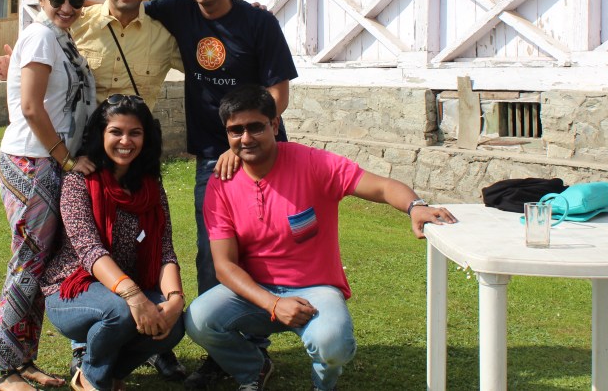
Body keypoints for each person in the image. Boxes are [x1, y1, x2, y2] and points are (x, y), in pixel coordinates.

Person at [0, 0, 188, 381]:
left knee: (131, 239)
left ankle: (34, 359)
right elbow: (31, 98)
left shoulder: (152, 34)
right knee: (46, 258)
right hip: (61, 159)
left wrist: (244, 18)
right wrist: (65, 159)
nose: (67, 6)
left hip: (129, 156)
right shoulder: (68, 27)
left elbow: (202, 58)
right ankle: (14, 366)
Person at [185, 85, 459, 391]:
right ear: (227, 133)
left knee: (333, 344)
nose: (245, 138)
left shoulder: (312, 164)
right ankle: (254, 369)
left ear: (274, 125)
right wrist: (274, 303)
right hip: (257, 291)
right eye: (236, 130)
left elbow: (380, 187)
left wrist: (415, 206)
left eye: (255, 127)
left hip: (315, 289)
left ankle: (323, 385)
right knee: (199, 318)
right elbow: (224, 266)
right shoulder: (221, 184)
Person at [144, 0, 297, 387]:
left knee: (262, 247)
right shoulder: (177, 8)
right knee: (213, 253)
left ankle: (253, 345)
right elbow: (121, 5)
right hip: (212, 157)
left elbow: (278, 94)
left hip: (262, 153)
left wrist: (242, 141)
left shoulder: (258, 22)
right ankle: (221, 348)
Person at [0, 0, 98, 391]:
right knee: (27, 265)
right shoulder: (40, 35)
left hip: (50, 160)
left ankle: (24, 360)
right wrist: (65, 160)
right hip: (34, 162)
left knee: (38, 265)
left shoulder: (61, 36)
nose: (68, 7)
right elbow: (32, 107)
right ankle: (4, 371)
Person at [41, 94, 186, 391]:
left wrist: (174, 300)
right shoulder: (80, 180)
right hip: (72, 288)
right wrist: (135, 296)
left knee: (175, 326)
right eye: (116, 132)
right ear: (101, 134)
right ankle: (91, 377)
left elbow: (165, 250)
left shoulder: (151, 186)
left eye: (135, 133)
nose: (126, 141)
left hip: (125, 290)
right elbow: (89, 250)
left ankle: (110, 374)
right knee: (119, 312)